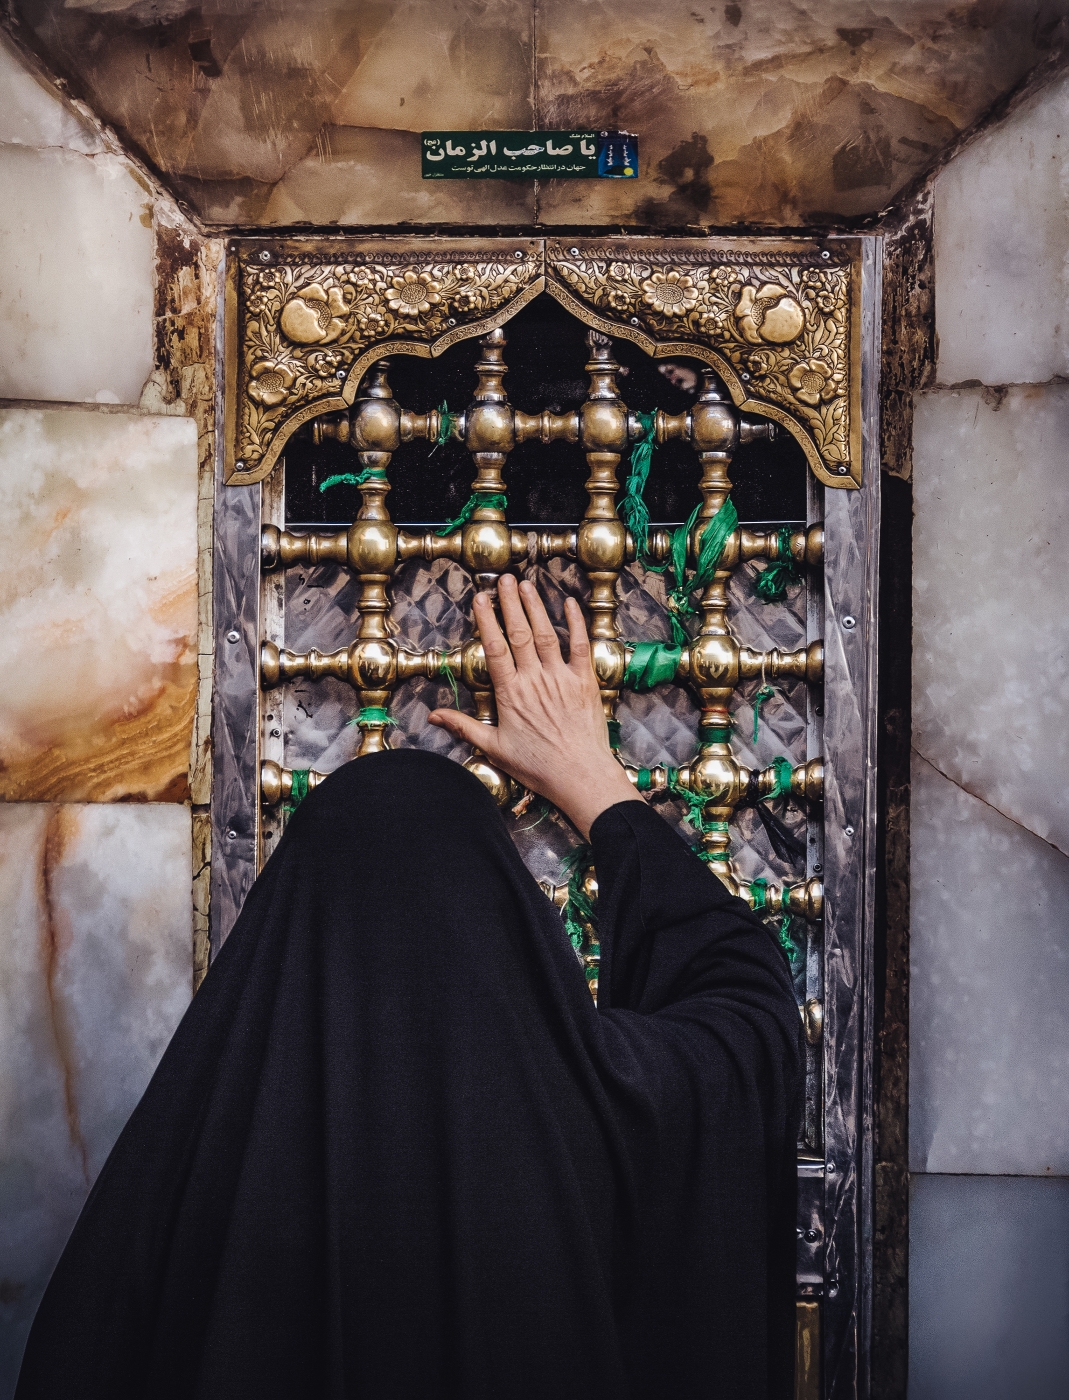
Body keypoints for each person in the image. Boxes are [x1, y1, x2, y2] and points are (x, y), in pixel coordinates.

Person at [15, 577, 802, 1400]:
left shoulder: (191, 1177)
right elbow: (748, 1014)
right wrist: (595, 785)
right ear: (505, 919)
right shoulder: (592, 1118)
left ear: (284, 926)